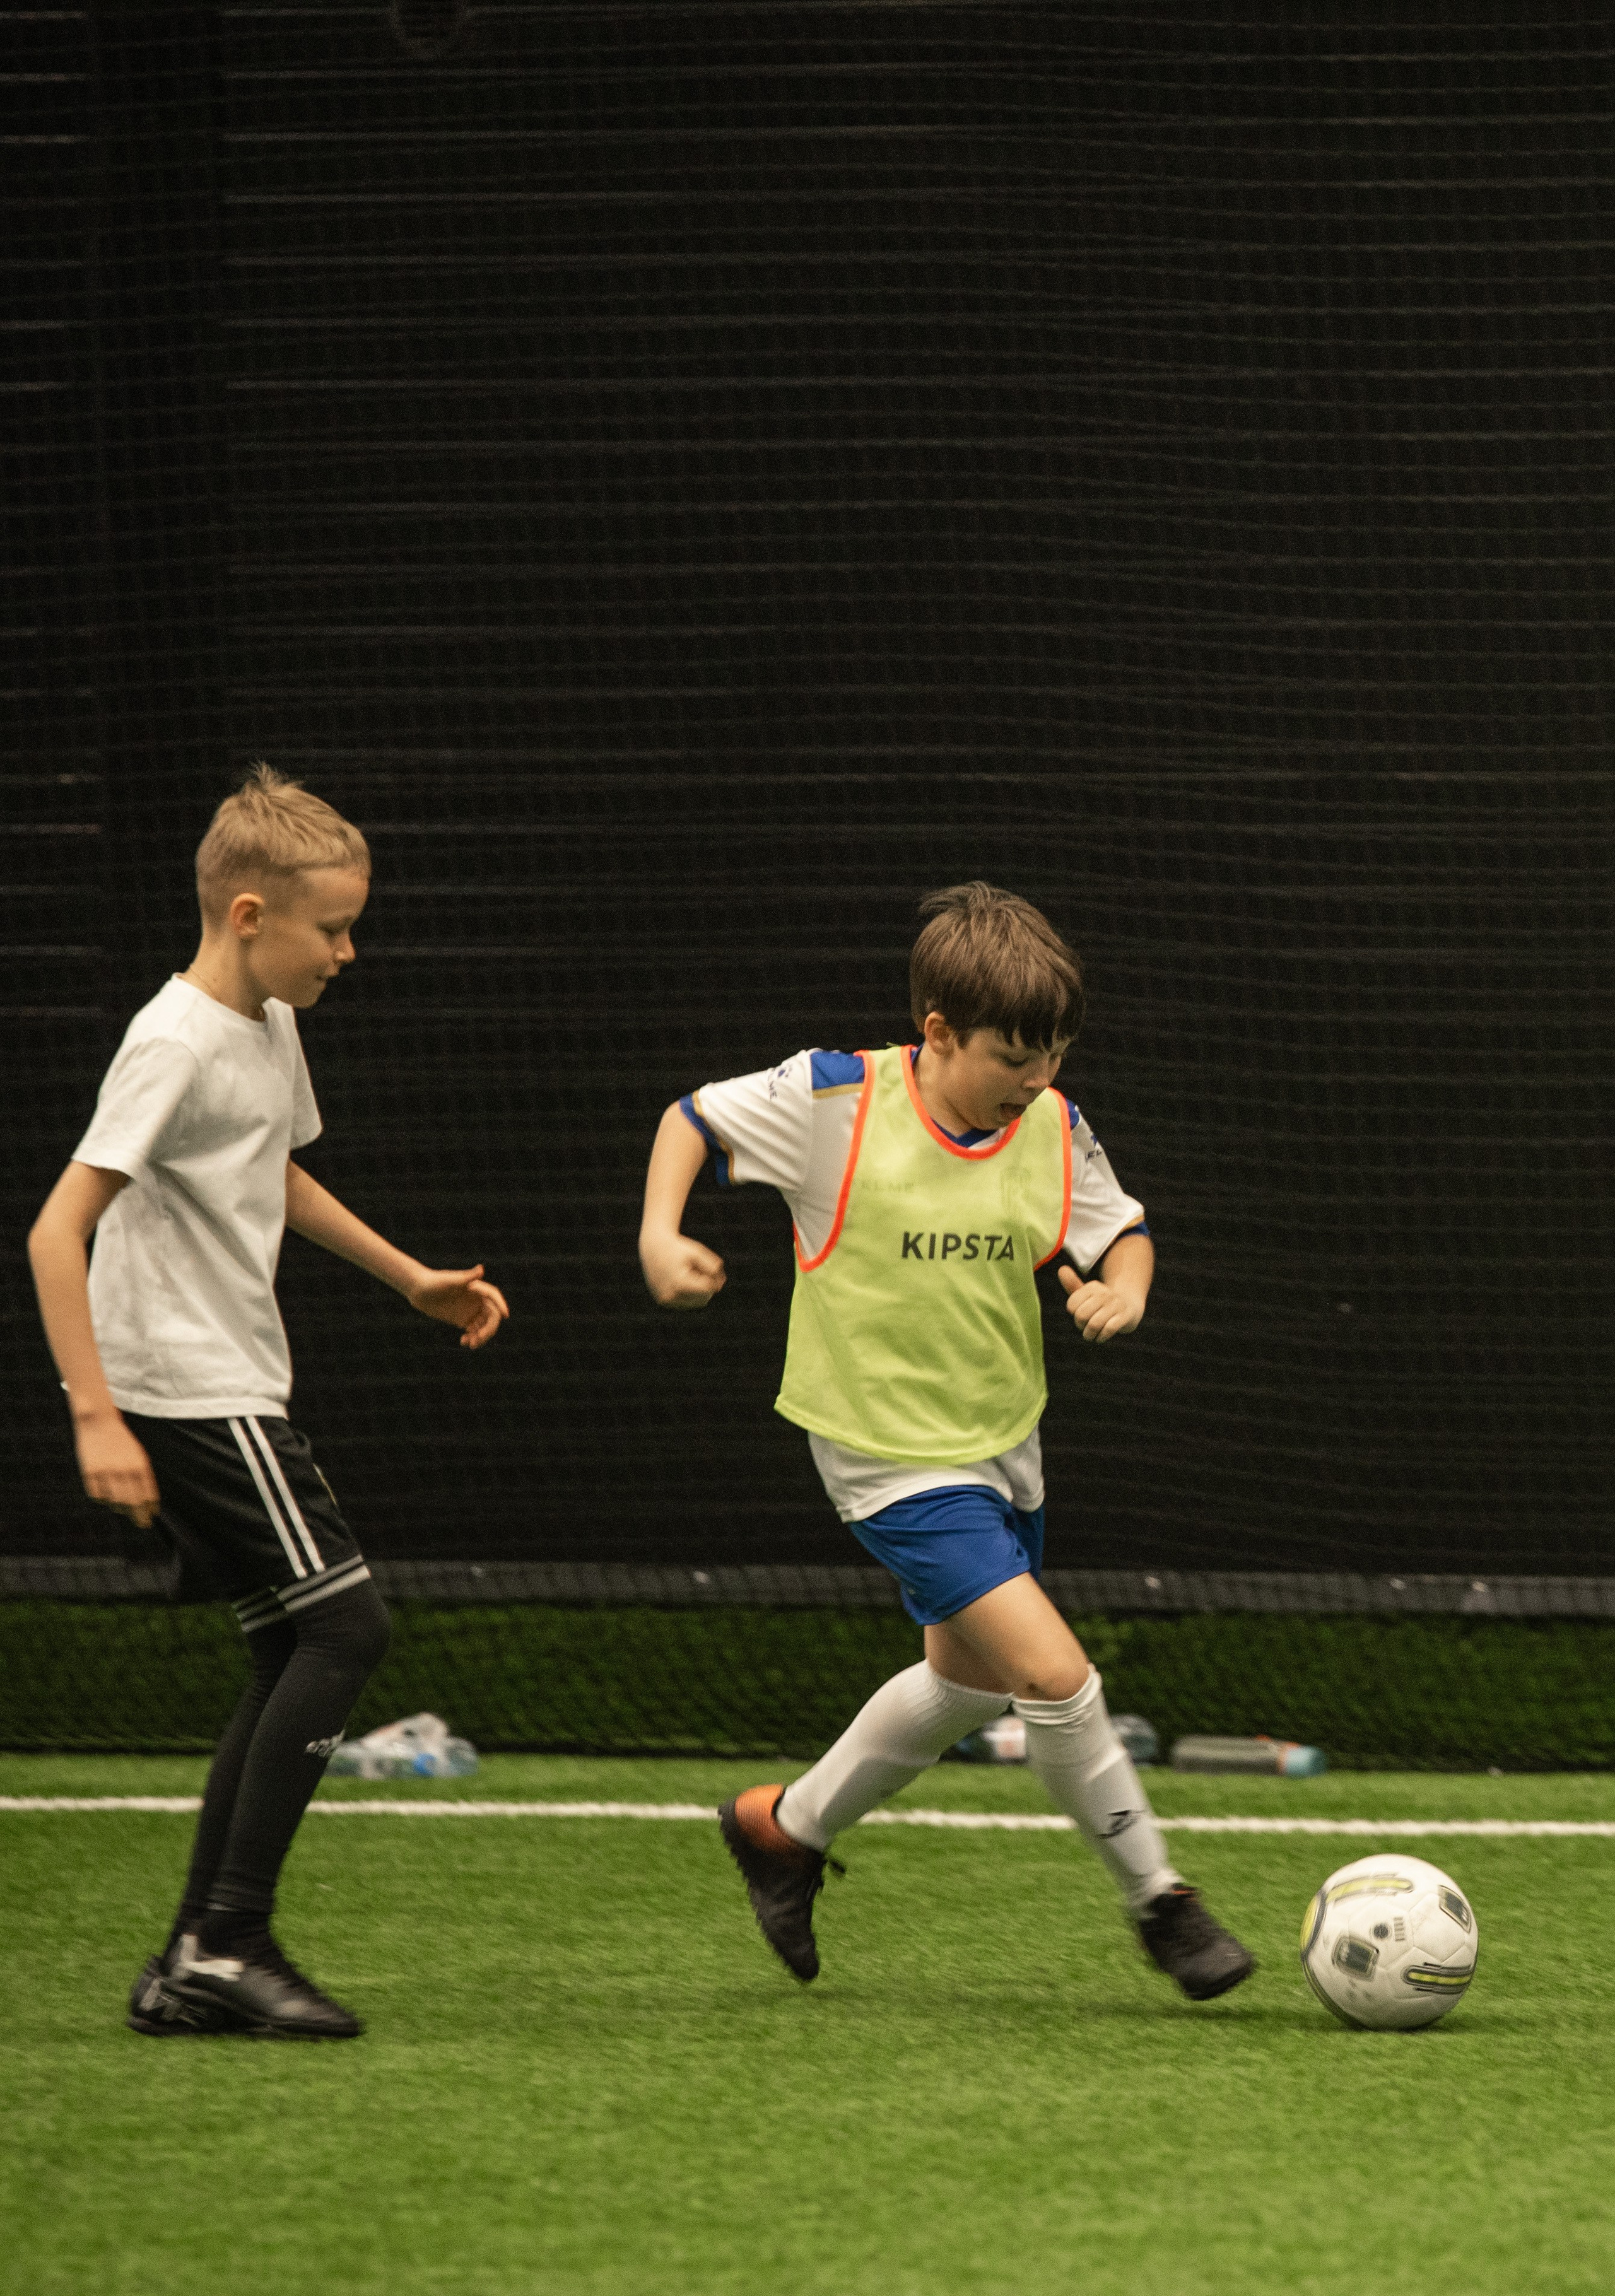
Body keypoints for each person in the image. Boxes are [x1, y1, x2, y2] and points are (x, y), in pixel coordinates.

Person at [638, 882, 1252, 2001]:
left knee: (967, 1687)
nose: (1038, 1080)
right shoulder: (833, 1100)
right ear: (937, 1033)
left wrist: (1129, 1292)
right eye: (1016, 1057)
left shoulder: (1051, 1124)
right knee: (1058, 1680)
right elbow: (691, 1120)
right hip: (885, 1460)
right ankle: (1161, 1904)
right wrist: (659, 1234)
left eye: (1055, 1055)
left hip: (1002, 1445)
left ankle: (784, 1828)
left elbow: (1124, 1231)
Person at [27, 766, 508, 2041]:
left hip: (230, 1381)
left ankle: (200, 1953)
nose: (348, 950)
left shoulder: (269, 1027)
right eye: (331, 928)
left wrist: (408, 1275)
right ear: (249, 914)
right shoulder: (173, 1036)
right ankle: (227, 1942)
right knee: (347, 1629)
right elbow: (54, 1230)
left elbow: (272, 1169)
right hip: (185, 1391)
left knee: (289, 1642)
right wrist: (94, 1414)